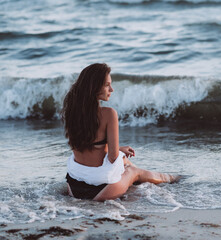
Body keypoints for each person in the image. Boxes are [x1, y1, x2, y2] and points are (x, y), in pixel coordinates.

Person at [61, 63, 179, 201]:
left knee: (122, 157)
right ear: (94, 87)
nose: (111, 89)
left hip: (74, 186)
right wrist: (119, 152)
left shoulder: (71, 113)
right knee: (134, 171)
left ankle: (169, 178)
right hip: (102, 189)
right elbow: (112, 158)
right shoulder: (109, 114)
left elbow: (87, 147)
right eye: (107, 85)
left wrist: (119, 149)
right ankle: (172, 178)